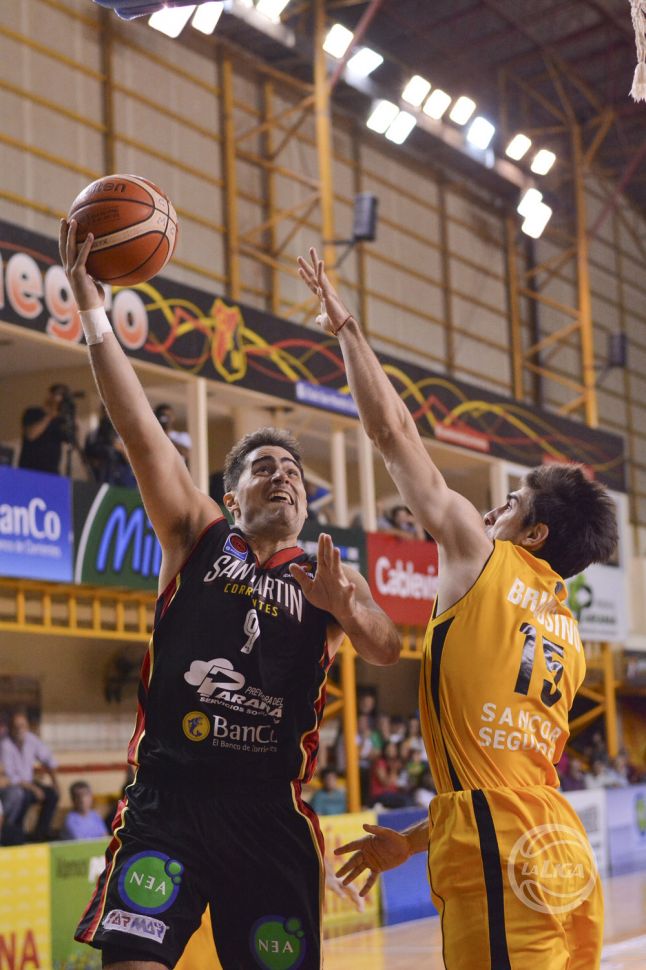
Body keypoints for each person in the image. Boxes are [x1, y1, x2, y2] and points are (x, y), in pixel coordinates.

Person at [59, 219, 400, 970]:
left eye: (293, 471)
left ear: (306, 502)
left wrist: (346, 606)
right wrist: (92, 313)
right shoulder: (197, 534)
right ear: (231, 496)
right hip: (169, 802)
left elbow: (387, 647)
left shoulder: (328, 574)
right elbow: (140, 431)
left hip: (267, 815)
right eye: (263, 467)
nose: (282, 475)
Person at [298, 247, 619, 970]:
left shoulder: (481, 555)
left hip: (501, 859)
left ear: (533, 535)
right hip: (559, 850)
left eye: (509, 504)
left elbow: (393, 434)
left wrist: (346, 327)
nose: (489, 511)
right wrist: (412, 843)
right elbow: (509, 774)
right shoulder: (567, 632)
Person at [0, 709, 60, 843]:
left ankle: (40, 836)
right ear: (10, 728)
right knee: (21, 796)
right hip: (14, 787)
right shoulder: (4, 744)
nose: (19, 729)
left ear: (27, 727)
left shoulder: (31, 739)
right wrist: (33, 788)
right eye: (16, 726)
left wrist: (55, 783)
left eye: (22, 726)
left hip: (29, 784)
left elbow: (49, 760)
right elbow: (10, 777)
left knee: (53, 794)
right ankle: (17, 836)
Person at [18, 383, 73, 474]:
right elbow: (31, 435)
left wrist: (71, 416)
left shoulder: (61, 421)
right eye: (58, 394)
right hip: (29, 470)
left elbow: (72, 441)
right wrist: (50, 416)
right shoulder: (32, 412)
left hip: (51, 473)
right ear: (49, 395)